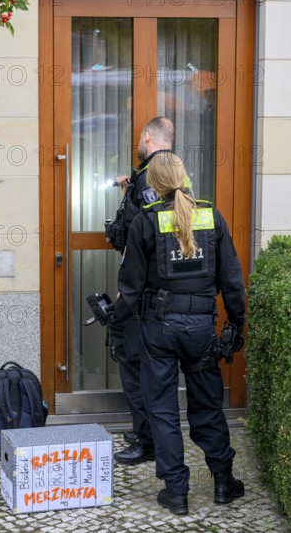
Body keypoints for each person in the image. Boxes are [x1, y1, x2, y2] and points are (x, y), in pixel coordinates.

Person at [109, 151, 245, 515]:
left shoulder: (146, 221)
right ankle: (222, 482)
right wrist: (236, 322)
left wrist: (115, 320)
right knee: (206, 406)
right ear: (184, 178)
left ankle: (177, 492)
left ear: (152, 184)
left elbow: (131, 288)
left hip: (159, 329)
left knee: (163, 409)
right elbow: (231, 278)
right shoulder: (210, 215)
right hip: (201, 328)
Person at [111, 117, 175, 466]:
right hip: (164, 290)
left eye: (140, 136)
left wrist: (128, 290)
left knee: (132, 363)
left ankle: (145, 440)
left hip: (144, 291)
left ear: (148, 138)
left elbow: (144, 231)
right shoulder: (174, 175)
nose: (138, 141)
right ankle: (147, 432)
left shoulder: (149, 176)